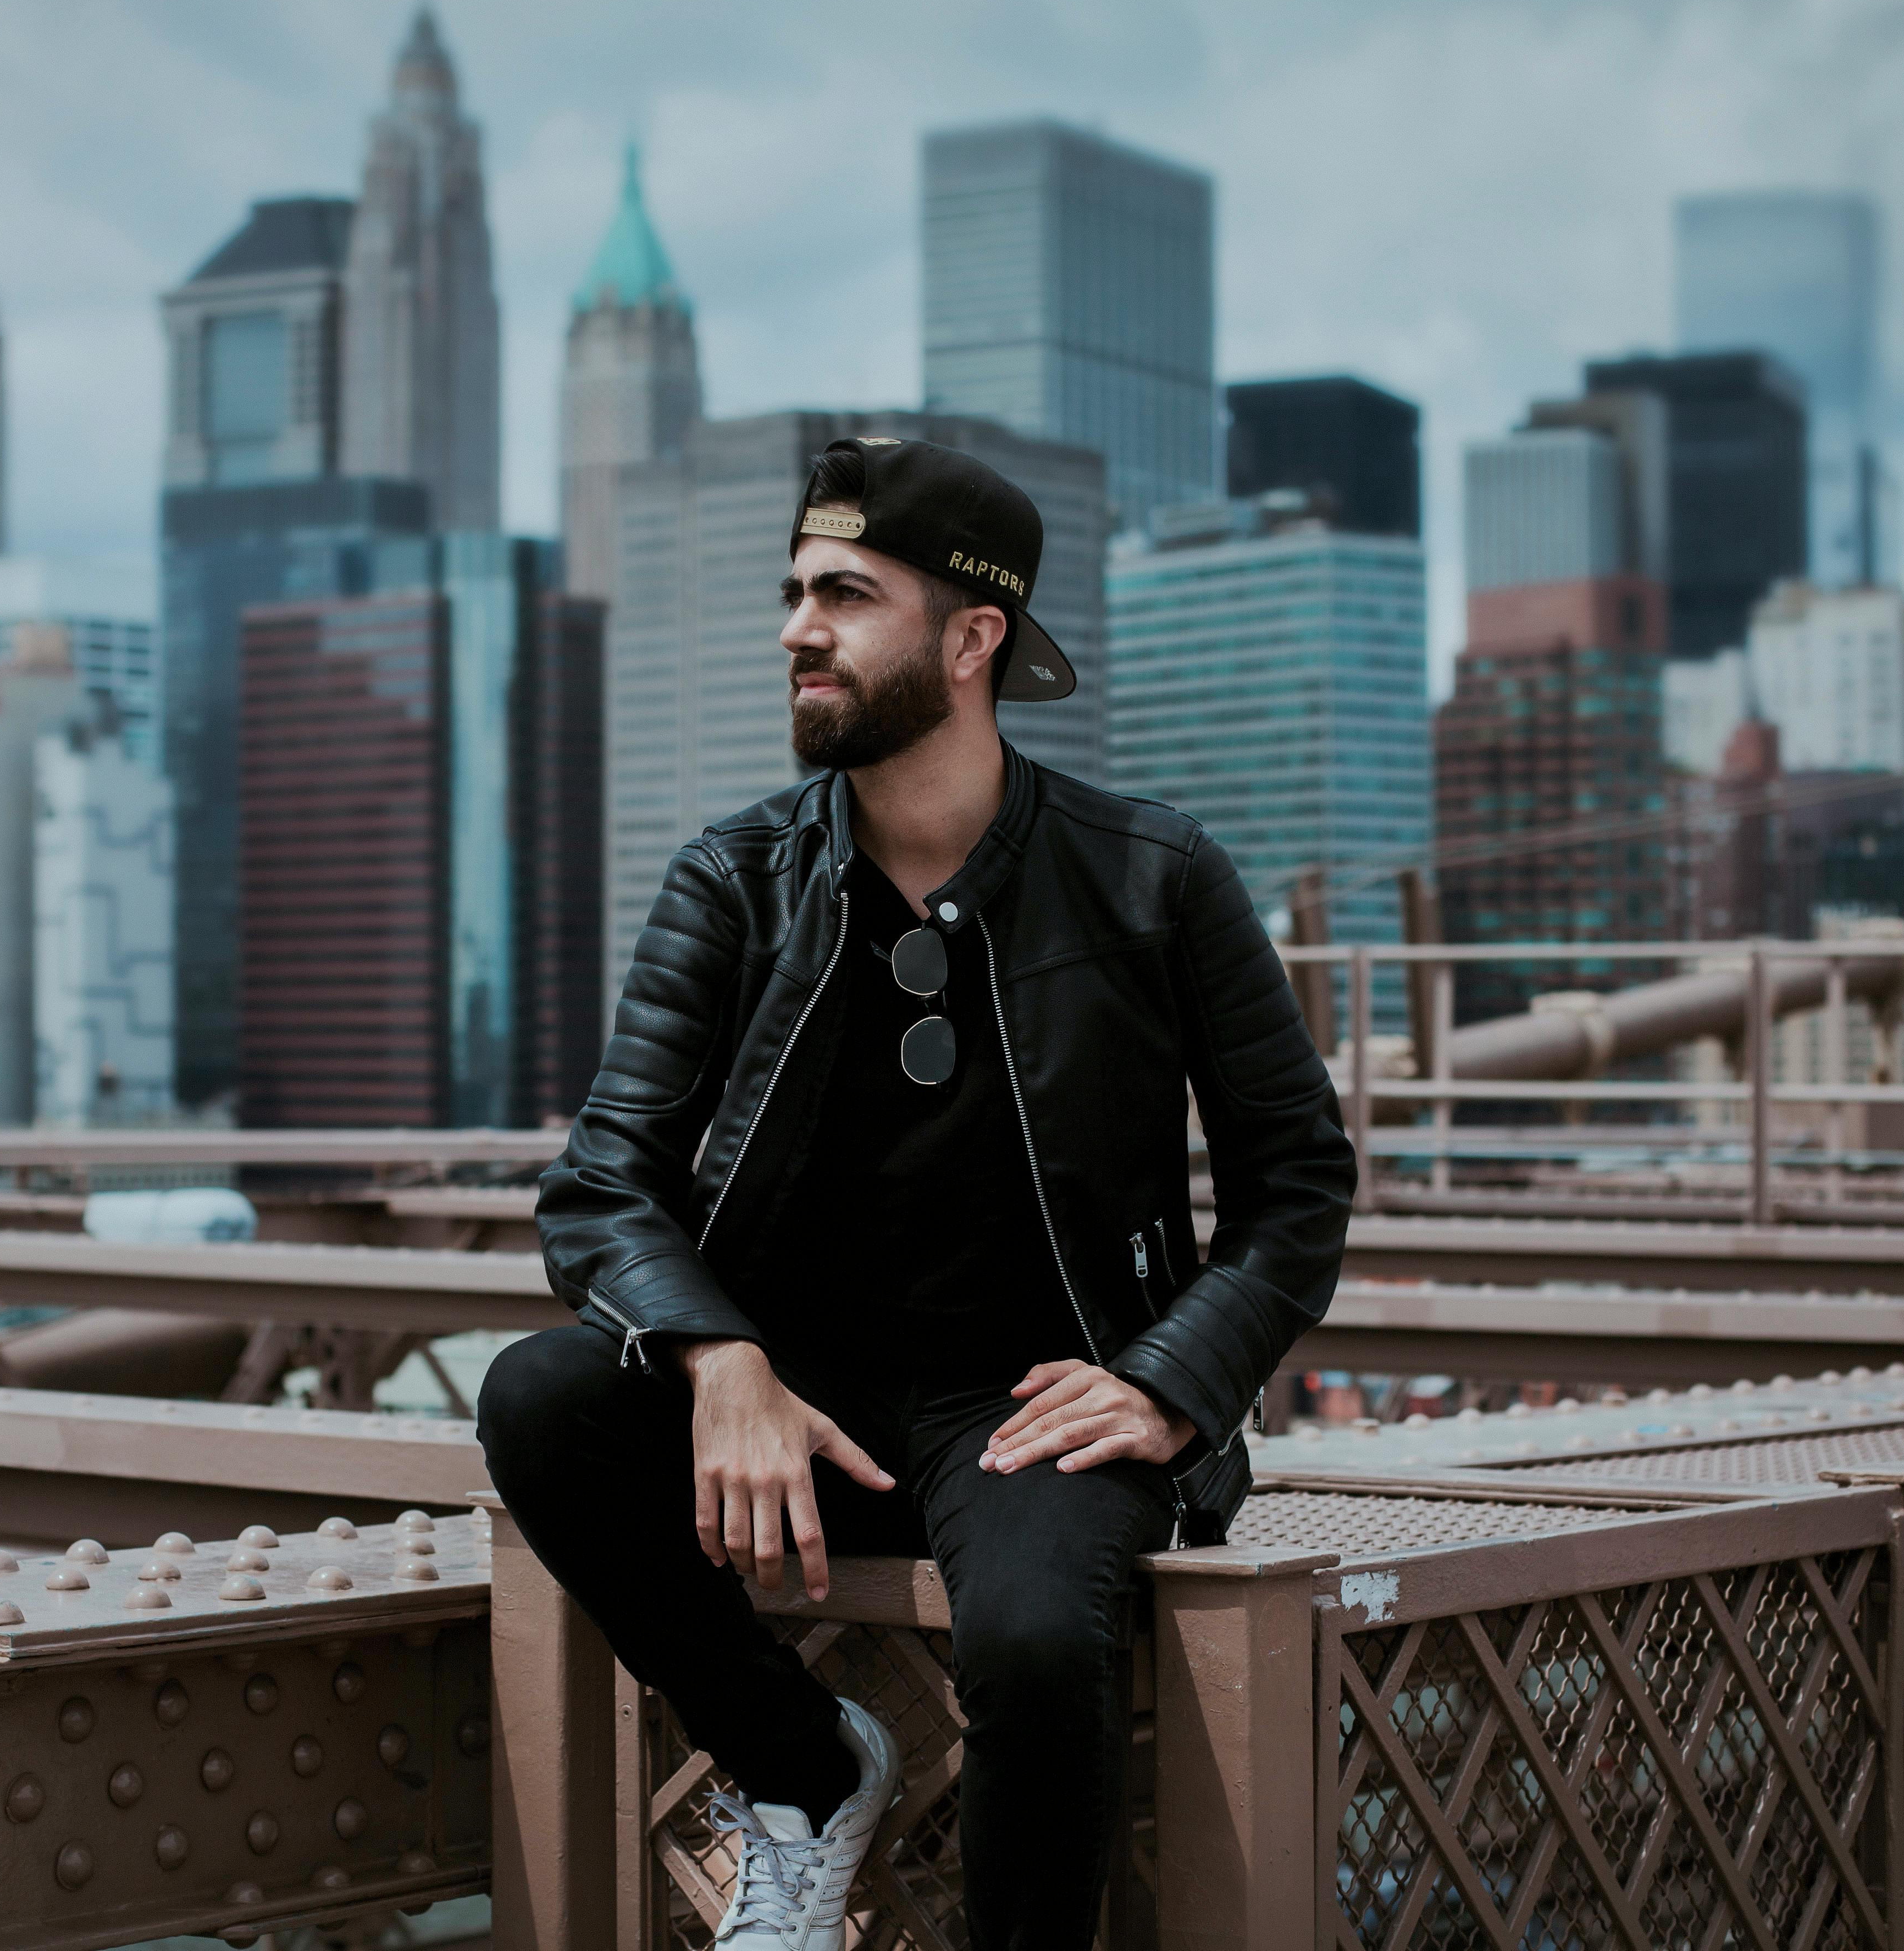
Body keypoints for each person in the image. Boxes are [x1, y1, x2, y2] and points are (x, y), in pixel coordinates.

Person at [478, 435, 1355, 1950]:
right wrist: (719, 1356)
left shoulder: (1153, 878)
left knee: (1027, 1641)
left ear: (971, 639)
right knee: (539, 1401)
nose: (794, 628)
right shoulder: (731, 879)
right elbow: (600, 1183)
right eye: (792, 592)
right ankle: (805, 1773)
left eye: (843, 593)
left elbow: (1297, 1184)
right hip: (795, 1401)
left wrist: (1166, 1384)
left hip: (1031, 1404)